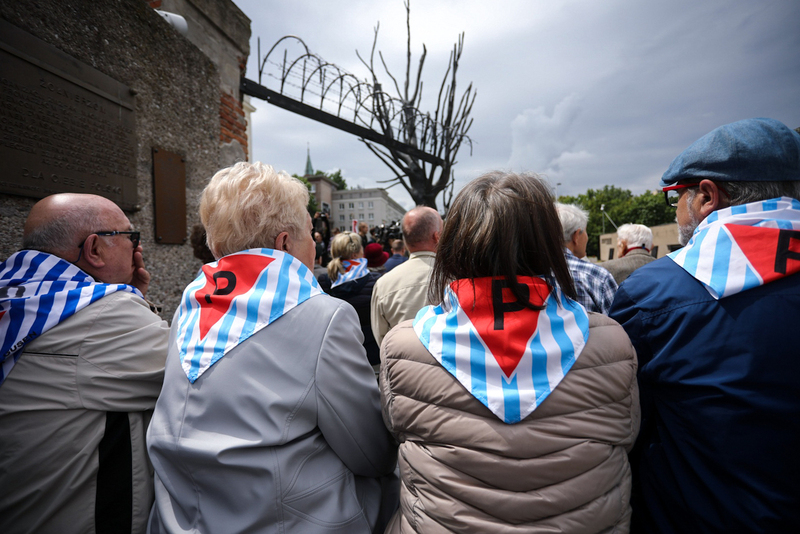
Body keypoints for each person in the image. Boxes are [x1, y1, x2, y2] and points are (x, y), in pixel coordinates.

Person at [380, 171, 639, 533]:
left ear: (455, 242)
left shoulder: (403, 346)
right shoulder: (611, 343)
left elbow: (395, 433)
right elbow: (627, 435)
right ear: (548, 242)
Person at [147, 162, 396, 534]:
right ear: (284, 243)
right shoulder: (322, 316)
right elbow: (371, 453)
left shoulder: (190, 305)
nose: (316, 244)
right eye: (311, 234)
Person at [609, 118, 800, 533]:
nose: (677, 210)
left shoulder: (655, 295)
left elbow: (623, 425)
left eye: (676, 197)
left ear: (707, 197)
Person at [0, 193, 169, 534]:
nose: (138, 250)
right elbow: (196, 372)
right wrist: (131, 303)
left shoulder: (15, 295)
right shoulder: (106, 315)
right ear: (94, 249)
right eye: (130, 237)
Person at [370, 206, 442, 348]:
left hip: (400, 367)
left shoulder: (384, 284)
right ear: (436, 236)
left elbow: (381, 339)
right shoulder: (458, 277)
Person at [318, 232, 383, 368]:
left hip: (337, 352)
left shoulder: (324, 280)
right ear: (355, 254)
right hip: (371, 352)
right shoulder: (376, 280)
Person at [556, 202, 618, 313]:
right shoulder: (597, 277)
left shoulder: (530, 271)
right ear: (576, 236)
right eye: (585, 231)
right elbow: (620, 323)